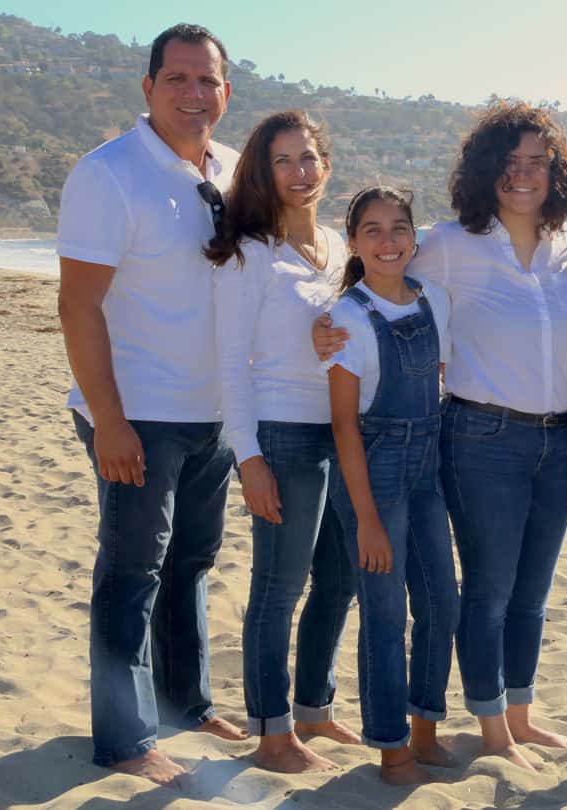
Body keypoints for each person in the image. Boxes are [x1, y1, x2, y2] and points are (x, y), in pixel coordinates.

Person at [315, 100, 567, 770]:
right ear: (485, 170)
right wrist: (324, 326)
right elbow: (381, 280)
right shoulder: (451, 243)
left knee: (533, 593)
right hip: (481, 439)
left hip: (562, 438)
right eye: (510, 162)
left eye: (538, 163)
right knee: (487, 592)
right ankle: (492, 729)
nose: (523, 174)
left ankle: (520, 717)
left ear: (557, 172)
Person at [55, 24, 248, 784]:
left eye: (208, 81)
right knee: (133, 569)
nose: (195, 94)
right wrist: (109, 421)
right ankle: (126, 739)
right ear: (148, 87)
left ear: (226, 92)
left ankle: (186, 702)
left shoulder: (235, 171)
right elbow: (78, 307)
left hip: (217, 412)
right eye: (178, 79)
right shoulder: (107, 175)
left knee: (192, 562)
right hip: (137, 412)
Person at [205, 110, 358, 773]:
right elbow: (230, 364)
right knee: (278, 589)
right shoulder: (249, 256)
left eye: (309, 158)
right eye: (283, 161)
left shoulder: (341, 248)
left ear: (326, 165)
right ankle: (271, 734)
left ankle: (314, 711)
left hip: (343, 438)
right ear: (264, 173)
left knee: (340, 581)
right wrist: (250, 458)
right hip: (283, 440)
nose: (299, 173)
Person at [325, 187, 459, 784]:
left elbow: (443, 377)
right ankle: (391, 746)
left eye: (399, 228)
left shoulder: (433, 300)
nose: (388, 241)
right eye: (372, 230)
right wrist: (367, 519)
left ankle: (425, 728)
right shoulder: (346, 319)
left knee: (441, 603)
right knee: (384, 614)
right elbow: (344, 428)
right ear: (353, 243)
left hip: (427, 467)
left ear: (415, 236)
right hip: (373, 474)